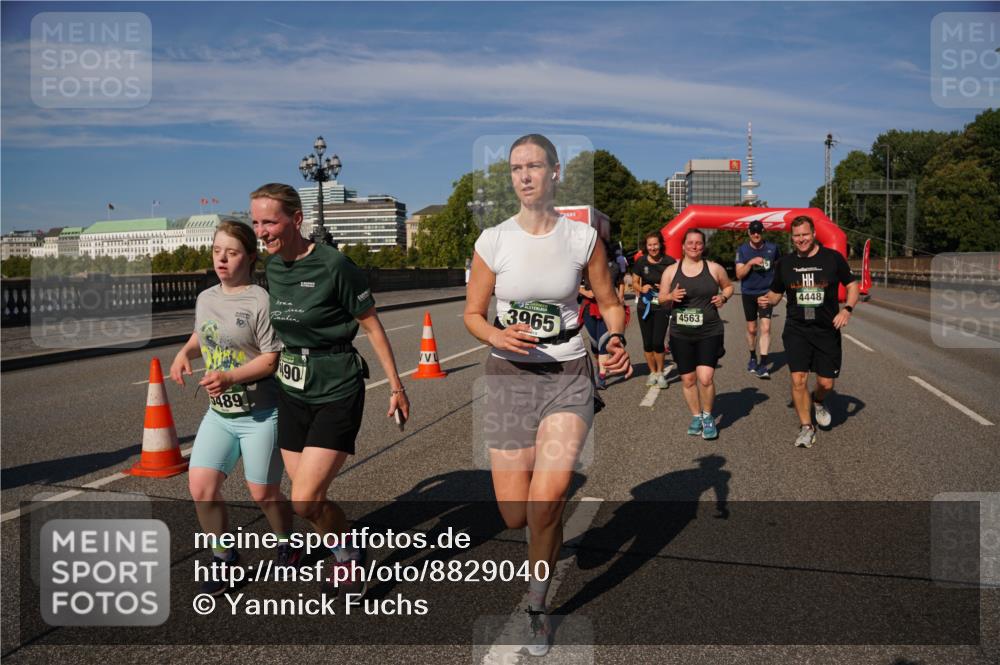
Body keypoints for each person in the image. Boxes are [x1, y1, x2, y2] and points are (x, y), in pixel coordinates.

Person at [464, 134, 632, 656]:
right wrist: (497, 334)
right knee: (515, 513)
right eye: (516, 168)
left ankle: (537, 606)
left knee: (546, 500)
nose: (525, 175)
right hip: (509, 377)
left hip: (567, 374)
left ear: (555, 172)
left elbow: (609, 302)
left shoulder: (581, 239)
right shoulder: (492, 240)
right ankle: (547, 524)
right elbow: (472, 314)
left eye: (534, 166)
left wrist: (616, 338)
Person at [250, 183, 410, 597]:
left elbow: (373, 327)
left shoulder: (335, 265)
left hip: (336, 386)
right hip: (293, 388)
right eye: (256, 222)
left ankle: (351, 555)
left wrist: (395, 386)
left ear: (296, 220)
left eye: (270, 221)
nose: (262, 231)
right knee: (309, 500)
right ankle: (343, 546)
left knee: (304, 501)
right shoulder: (271, 269)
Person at [169, 220, 294, 596]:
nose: (222, 259)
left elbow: (272, 359)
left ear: (250, 257)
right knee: (202, 488)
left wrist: (230, 376)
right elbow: (202, 334)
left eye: (232, 252)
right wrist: (183, 353)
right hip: (220, 415)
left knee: (263, 493)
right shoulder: (206, 298)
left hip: (261, 415)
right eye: (216, 251)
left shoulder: (260, 300)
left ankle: (289, 543)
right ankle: (225, 558)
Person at [758, 215, 859, 448]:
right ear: (791, 238)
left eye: (805, 234)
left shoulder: (833, 258)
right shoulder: (784, 263)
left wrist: (847, 310)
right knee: (798, 379)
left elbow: (852, 285)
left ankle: (818, 401)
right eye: (796, 236)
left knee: (826, 383)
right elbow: (776, 293)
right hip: (797, 329)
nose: (801, 239)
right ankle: (806, 427)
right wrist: (768, 301)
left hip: (826, 330)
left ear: (813, 234)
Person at [659, 228, 734, 441]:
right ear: (683, 246)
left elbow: (728, 287)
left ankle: (708, 416)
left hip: (709, 331)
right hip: (681, 333)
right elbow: (661, 298)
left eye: (698, 243)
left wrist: (723, 298)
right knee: (689, 379)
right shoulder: (671, 271)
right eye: (690, 243)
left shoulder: (714, 268)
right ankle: (695, 416)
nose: (694, 246)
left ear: (703, 246)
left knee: (706, 377)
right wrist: (671, 296)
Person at [579, 239, 628, 390]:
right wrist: (585, 291)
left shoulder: (613, 267)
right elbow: (575, 284)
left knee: (603, 343)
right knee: (594, 343)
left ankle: (601, 376)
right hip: (589, 307)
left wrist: (620, 295)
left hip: (607, 307)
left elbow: (620, 282)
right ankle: (601, 363)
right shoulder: (584, 266)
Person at [735, 220, 781, 378]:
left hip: (765, 293)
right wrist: (750, 263)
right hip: (748, 293)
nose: (756, 234)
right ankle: (753, 357)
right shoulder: (742, 250)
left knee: (766, 328)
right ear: (749, 233)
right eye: (753, 232)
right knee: (752, 330)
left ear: (763, 232)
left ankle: (763, 364)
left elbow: (779, 269)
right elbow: (739, 274)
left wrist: (775, 291)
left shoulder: (773, 248)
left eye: (759, 232)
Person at [632, 231, 676, 389]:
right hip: (645, 305)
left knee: (658, 342)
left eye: (655, 244)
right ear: (646, 246)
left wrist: (666, 287)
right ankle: (653, 373)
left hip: (662, 305)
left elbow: (677, 282)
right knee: (648, 343)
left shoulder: (670, 262)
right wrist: (641, 288)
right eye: (650, 245)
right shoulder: (641, 262)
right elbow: (634, 282)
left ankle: (660, 372)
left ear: (661, 245)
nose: (653, 248)